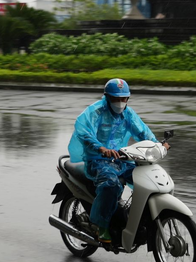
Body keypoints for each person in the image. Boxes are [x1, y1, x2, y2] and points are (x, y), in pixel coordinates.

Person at [68, 78, 169, 244]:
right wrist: (101, 148)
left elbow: (143, 132)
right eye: (116, 98)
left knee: (146, 178)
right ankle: (100, 226)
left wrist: (159, 144)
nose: (120, 103)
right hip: (98, 160)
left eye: (124, 99)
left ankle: (134, 219)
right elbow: (84, 131)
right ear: (107, 97)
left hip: (121, 158)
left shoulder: (127, 113)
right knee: (111, 184)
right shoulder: (96, 112)